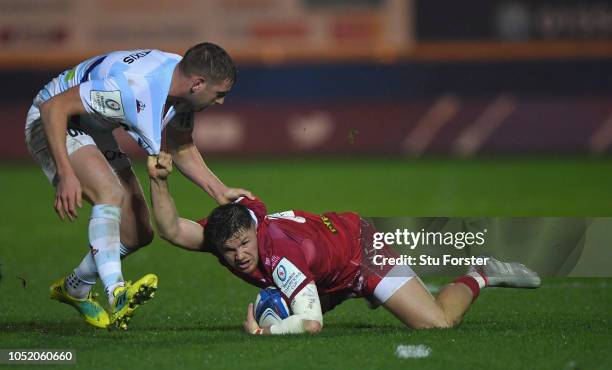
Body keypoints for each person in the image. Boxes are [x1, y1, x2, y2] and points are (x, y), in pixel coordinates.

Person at [147, 152, 541, 335]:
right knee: (295, 297)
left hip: (359, 252)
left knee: (436, 323)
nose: (240, 257)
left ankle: (483, 273)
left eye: (244, 246)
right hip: (323, 269)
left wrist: (264, 333)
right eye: (230, 252)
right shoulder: (233, 227)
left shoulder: (278, 254)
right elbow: (171, 230)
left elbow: (312, 324)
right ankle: (353, 294)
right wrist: (160, 182)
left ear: (255, 232)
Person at [25, 43, 252, 330]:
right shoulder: (133, 88)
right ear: (198, 84)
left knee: (137, 232)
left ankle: (75, 288)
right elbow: (53, 107)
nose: (220, 102)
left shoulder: (181, 89)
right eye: (219, 94)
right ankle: (117, 293)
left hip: (91, 124)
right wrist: (66, 172)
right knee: (109, 191)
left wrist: (220, 191)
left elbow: (180, 145)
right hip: (52, 118)